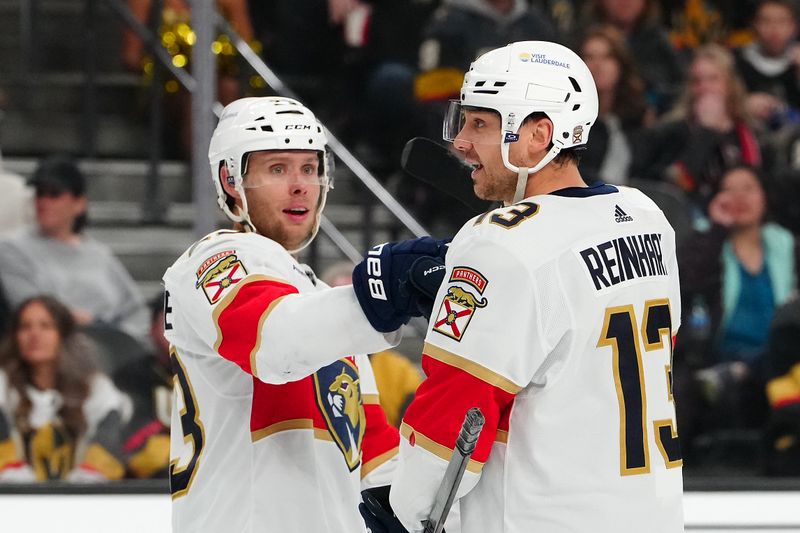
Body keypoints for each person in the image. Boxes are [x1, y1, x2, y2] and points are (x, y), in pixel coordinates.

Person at [359, 41, 684, 532]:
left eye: (481, 124)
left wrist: (409, 510)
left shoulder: (500, 247)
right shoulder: (646, 218)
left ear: (539, 135)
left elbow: (455, 413)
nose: (461, 142)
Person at [162, 96, 448, 532]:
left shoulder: (321, 306)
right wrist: (387, 289)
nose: (301, 185)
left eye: (310, 169)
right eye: (278, 169)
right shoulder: (213, 261)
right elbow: (274, 344)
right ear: (231, 180)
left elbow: (371, 451)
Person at [676, 165, 798, 454]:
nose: (740, 196)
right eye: (730, 189)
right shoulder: (706, 242)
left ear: (764, 198)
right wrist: (717, 227)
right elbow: (685, 281)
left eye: (748, 188)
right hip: (716, 356)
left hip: (779, 360)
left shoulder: (786, 246)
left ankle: (744, 371)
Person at [0, 156, 150, 346]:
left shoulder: (99, 254)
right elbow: (33, 311)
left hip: (111, 349)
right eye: (39, 193)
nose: (43, 201)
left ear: (79, 203)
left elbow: (136, 312)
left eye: (54, 194)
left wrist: (116, 337)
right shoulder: (11, 248)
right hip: (53, 351)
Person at [0, 296, 129, 482]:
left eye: (46, 326)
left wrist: (87, 478)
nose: (34, 335)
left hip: (83, 499)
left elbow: (111, 439)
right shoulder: (3, 384)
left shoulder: (95, 387)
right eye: (25, 327)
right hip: (13, 499)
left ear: (63, 335)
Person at [633, 44, 763, 212]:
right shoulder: (669, 133)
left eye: (713, 79)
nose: (704, 88)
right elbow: (673, 187)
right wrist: (706, 133)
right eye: (697, 81)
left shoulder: (750, 133)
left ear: (730, 85)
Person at [322, 261, 424, 428]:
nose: (350, 311)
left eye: (357, 301)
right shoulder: (303, 368)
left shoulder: (400, 372)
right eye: (341, 301)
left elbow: (412, 436)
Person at [577, 24, 652, 184]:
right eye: (590, 57)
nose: (597, 65)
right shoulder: (571, 118)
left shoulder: (638, 116)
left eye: (606, 57)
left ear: (621, 63)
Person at [113, 295, 172, 479]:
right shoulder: (130, 378)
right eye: (168, 324)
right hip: (146, 485)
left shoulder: (216, 376)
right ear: (152, 329)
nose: (176, 334)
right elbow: (125, 440)